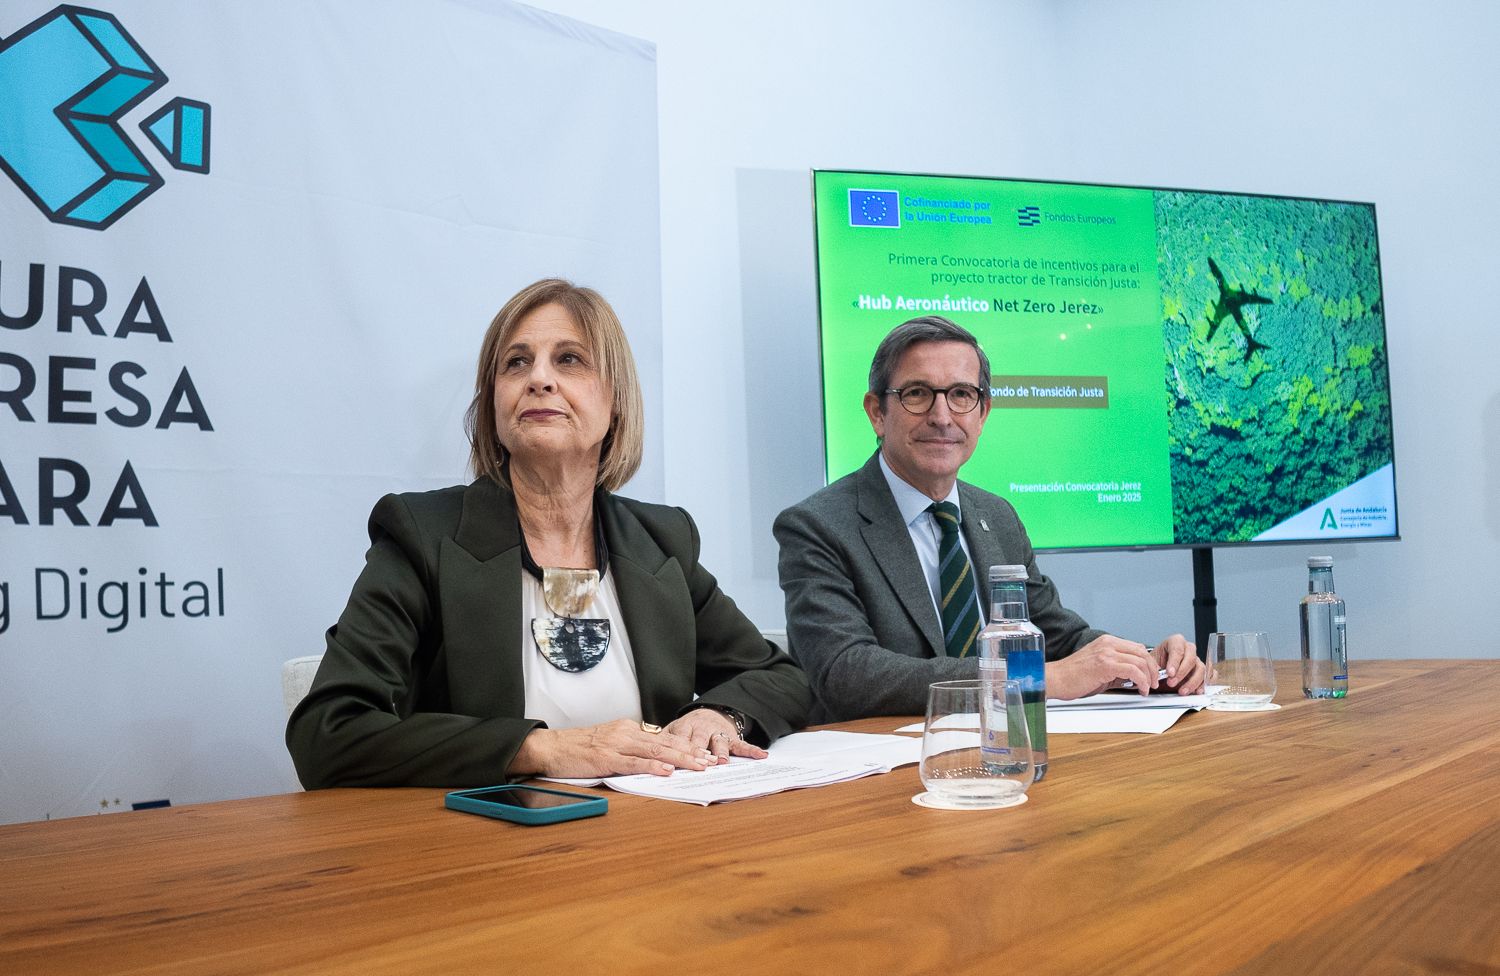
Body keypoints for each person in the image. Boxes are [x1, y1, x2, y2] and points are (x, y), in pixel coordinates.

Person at [288, 278, 811, 788]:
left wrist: (721, 716)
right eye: (516, 362)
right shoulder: (423, 536)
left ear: (616, 402)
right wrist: (542, 750)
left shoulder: (660, 539)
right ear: (493, 407)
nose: (539, 378)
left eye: (570, 359)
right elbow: (330, 731)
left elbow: (780, 676)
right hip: (484, 846)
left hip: (650, 836)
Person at [774, 315, 1204, 722]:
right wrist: (1037, 677)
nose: (942, 416)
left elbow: (1059, 637)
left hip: (1010, 743)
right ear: (877, 412)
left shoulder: (996, 515)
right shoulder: (817, 526)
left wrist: (1148, 662)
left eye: (961, 395)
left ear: (982, 414)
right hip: (883, 770)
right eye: (918, 393)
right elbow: (846, 673)